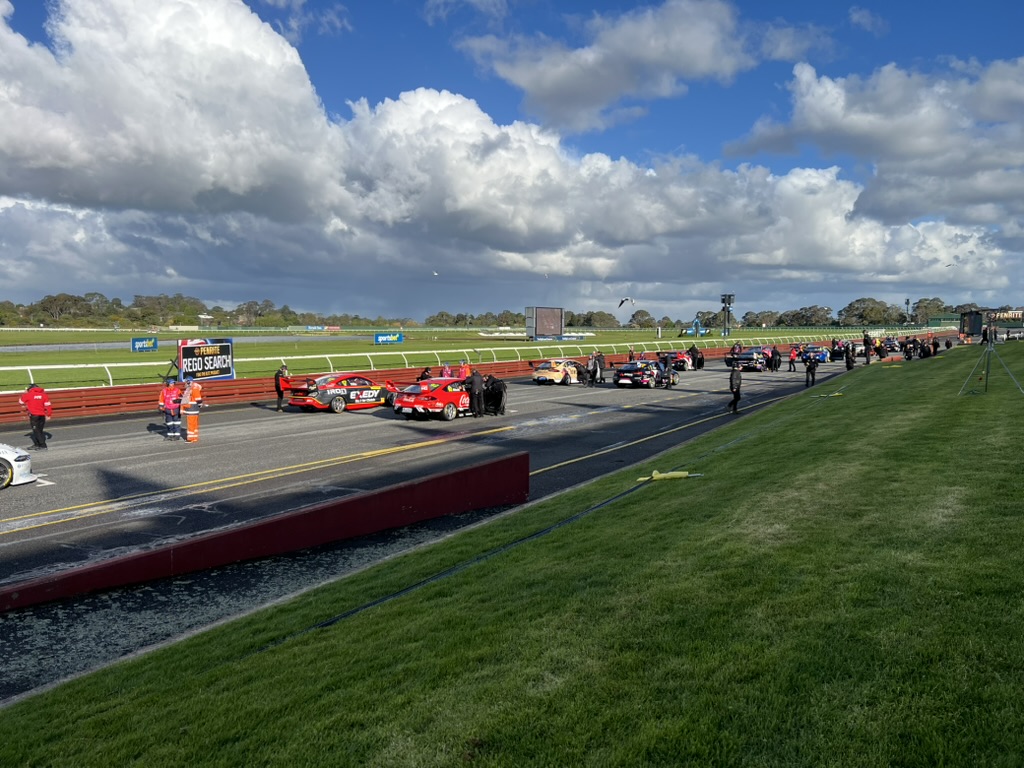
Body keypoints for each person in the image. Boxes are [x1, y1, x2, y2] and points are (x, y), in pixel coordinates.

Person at [19, 382, 53, 450]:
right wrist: (49, 414)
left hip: (34, 416)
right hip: (42, 415)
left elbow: (21, 402)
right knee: (39, 430)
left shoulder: (28, 395)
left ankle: (43, 445)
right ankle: (37, 444)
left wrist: (24, 393)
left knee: (36, 431)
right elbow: (48, 405)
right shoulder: (44, 395)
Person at [179, 377, 204, 441]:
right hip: (194, 409)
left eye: (186, 382)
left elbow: (198, 399)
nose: (185, 383)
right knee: (194, 424)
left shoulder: (192, 389)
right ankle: (194, 437)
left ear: (188, 382)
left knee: (191, 424)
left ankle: (190, 438)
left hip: (191, 409)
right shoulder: (191, 388)